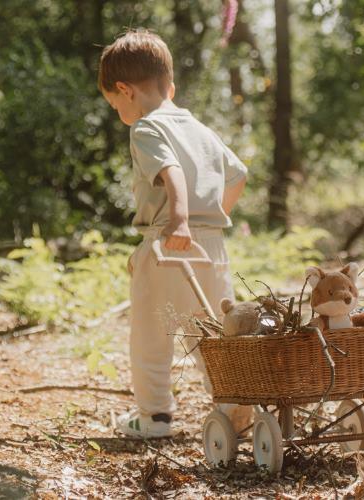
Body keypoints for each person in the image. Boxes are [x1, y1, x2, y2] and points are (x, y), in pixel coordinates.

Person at [98, 29, 250, 438]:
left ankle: (155, 419)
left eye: (115, 105)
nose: (119, 113)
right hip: (212, 245)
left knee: (150, 335)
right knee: (214, 333)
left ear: (124, 90)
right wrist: (208, 218)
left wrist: (181, 221)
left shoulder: (147, 128)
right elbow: (238, 174)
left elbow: (171, 173)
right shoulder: (200, 129)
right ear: (171, 84)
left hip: (168, 242)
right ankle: (233, 403)